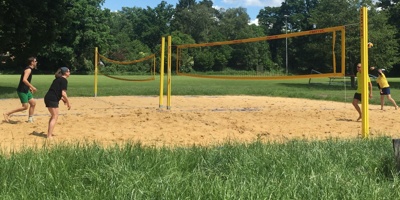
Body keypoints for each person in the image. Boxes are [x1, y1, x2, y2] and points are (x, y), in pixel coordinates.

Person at [3, 57, 38, 123]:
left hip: (26, 89)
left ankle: (30, 119)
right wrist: (32, 87)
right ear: (32, 62)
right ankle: (7, 113)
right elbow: (24, 80)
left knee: (33, 103)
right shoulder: (28, 70)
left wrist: (29, 87)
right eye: (35, 61)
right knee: (25, 107)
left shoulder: (29, 69)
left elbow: (26, 80)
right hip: (22, 90)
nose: (36, 62)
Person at [44, 67, 71, 138]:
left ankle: (49, 134)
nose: (69, 72)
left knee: (53, 116)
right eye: (68, 71)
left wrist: (63, 99)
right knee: (55, 116)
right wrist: (68, 102)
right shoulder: (64, 80)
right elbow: (63, 93)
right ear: (65, 73)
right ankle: (49, 136)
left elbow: (56, 91)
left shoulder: (57, 79)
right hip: (52, 99)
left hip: (48, 98)